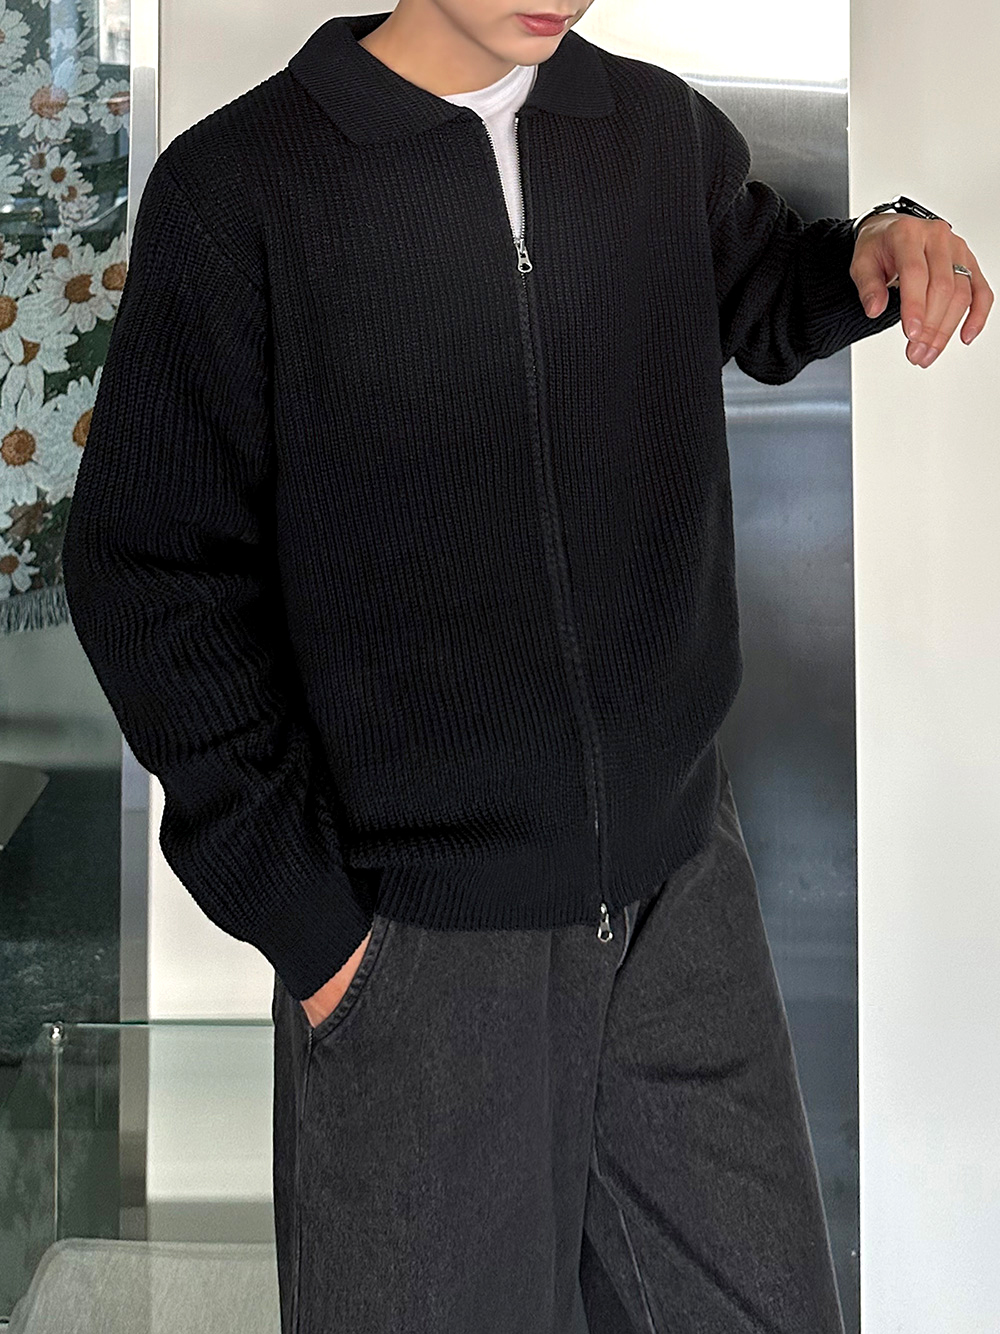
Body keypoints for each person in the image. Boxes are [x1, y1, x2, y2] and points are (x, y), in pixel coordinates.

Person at [60, 3, 992, 1331]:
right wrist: (318, 931)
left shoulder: (655, 132)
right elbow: (148, 568)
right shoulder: (240, 188)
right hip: (418, 948)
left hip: (679, 903)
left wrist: (872, 250)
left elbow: (756, 283)